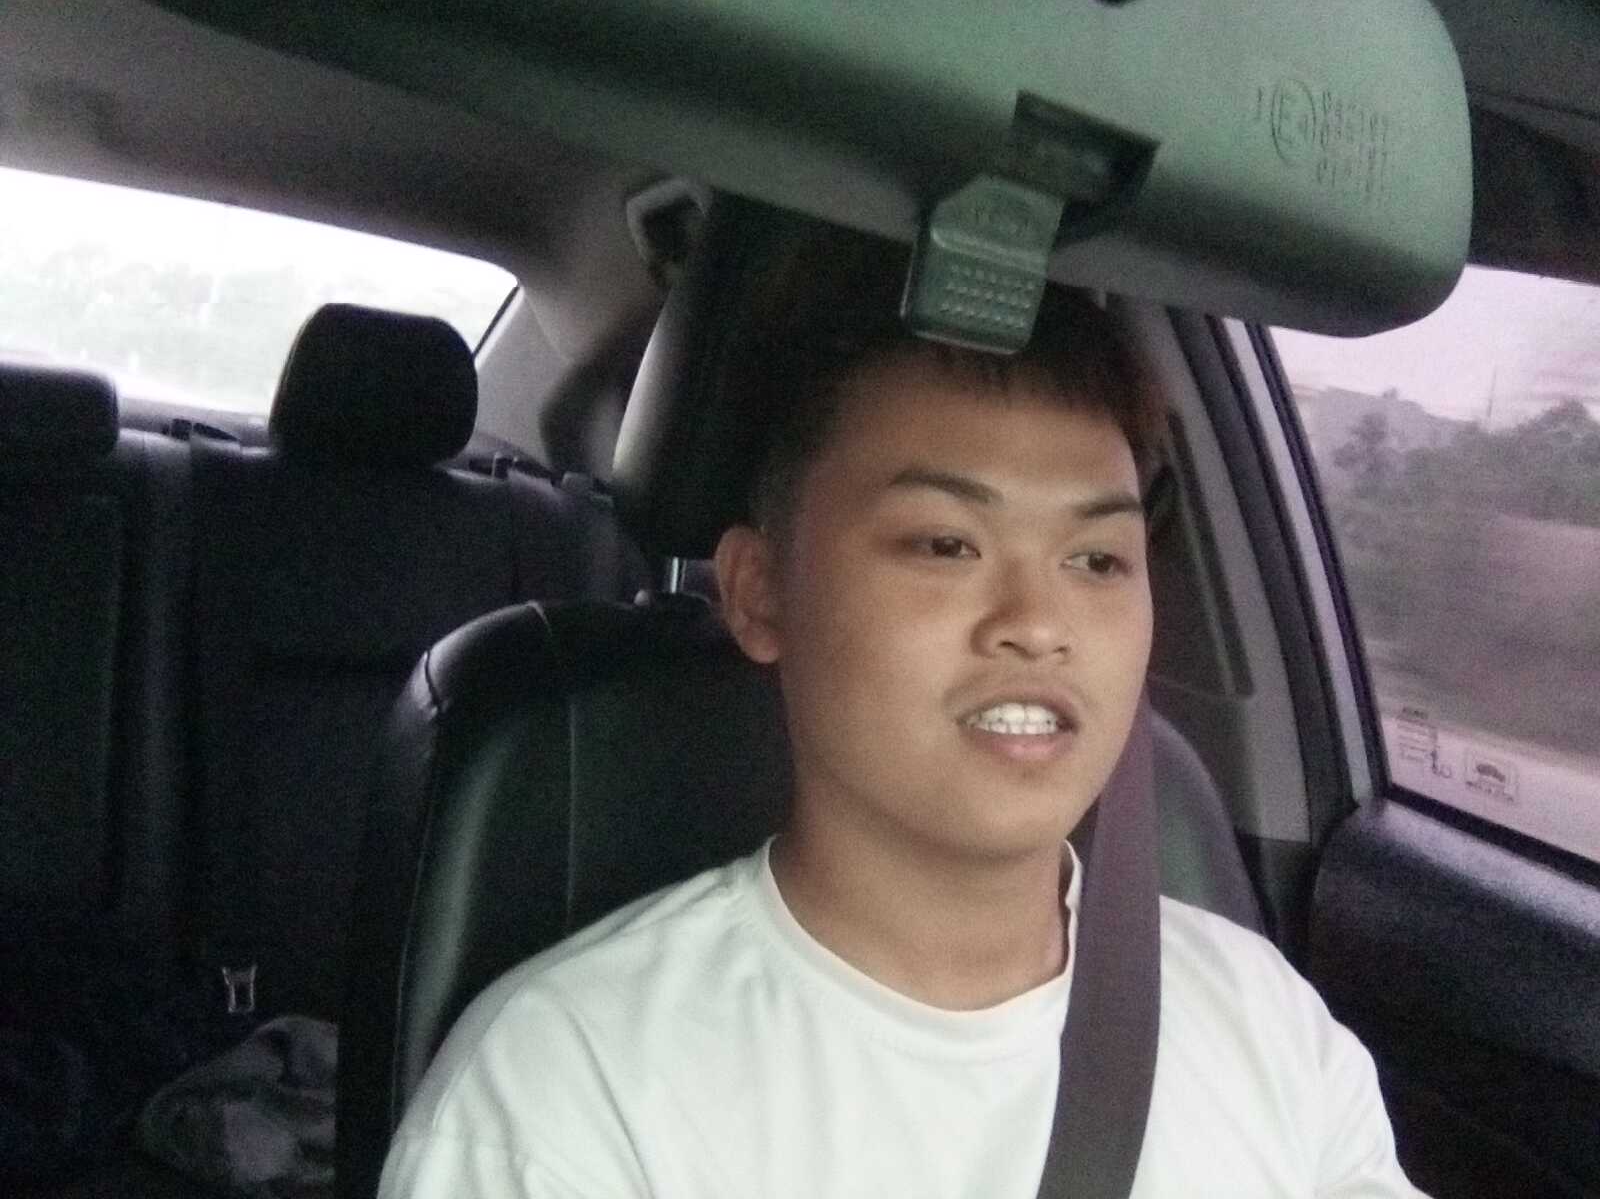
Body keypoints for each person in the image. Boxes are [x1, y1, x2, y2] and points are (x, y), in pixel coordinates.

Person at [380, 220, 1424, 1197]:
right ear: (759, 593)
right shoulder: (565, 1093)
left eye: (1098, 559)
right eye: (944, 544)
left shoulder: (1267, 1028)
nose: (1038, 624)